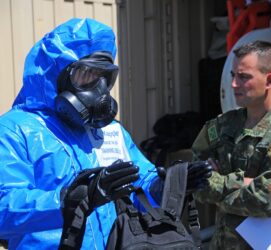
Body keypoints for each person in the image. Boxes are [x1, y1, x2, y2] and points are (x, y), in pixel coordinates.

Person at [0, 18, 212, 250]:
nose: (99, 90)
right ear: (57, 75)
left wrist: (169, 184)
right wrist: (74, 199)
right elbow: (4, 208)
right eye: (87, 75)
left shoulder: (110, 132)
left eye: (105, 78)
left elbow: (140, 181)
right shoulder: (15, 130)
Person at [191, 40, 271, 249]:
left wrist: (218, 185)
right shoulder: (221, 126)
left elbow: (270, 198)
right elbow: (194, 179)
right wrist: (244, 182)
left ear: (269, 80)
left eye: (244, 77)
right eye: (234, 75)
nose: (234, 84)